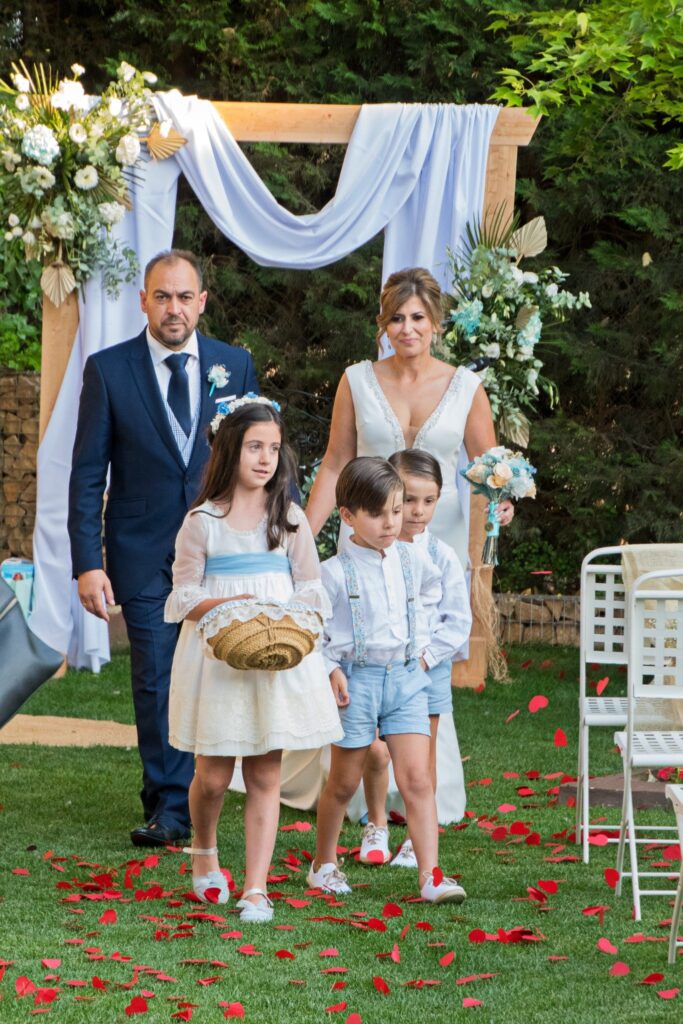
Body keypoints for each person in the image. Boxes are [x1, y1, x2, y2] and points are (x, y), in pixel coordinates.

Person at [68, 249, 259, 848]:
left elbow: (261, 456)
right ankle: (170, 808)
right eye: (162, 296)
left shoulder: (235, 365)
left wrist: (278, 532)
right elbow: (86, 473)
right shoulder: (109, 369)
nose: (173, 309)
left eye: (184, 297)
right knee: (155, 676)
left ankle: (213, 787)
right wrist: (88, 563)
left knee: (222, 670)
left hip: (221, 551)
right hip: (141, 550)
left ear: (201, 302)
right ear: (143, 300)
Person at [164, 398, 342, 922]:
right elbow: (181, 596)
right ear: (229, 450)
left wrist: (282, 619)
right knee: (215, 777)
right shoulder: (203, 522)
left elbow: (311, 589)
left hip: (274, 659)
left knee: (265, 774)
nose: (265, 458)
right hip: (218, 658)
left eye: (273, 448)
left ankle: (257, 888)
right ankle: (204, 851)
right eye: (253, 447)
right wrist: (234, 609)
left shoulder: (287, 519)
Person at [307, 456, 466, 904]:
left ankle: (430, 875)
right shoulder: (332, 573)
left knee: (417, 779)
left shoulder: (415, 560)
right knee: (342, 782)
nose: (391, 522)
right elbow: (314, 635)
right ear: (348, 516)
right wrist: (332, 670)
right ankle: (324, 863)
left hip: (407, 681)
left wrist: (425, 657)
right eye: (378, 513)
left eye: (396, 511)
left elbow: (440, 606)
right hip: (357, 683)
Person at [304, 265, 513, 568]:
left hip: (440, 534)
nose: (407, 329)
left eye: (418, 317)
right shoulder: (355, 381)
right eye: (396, 319)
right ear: (384, 325)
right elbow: (336, 464)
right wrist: (304, 538)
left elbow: (489, 471)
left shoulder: (467, 387)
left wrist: (503, 502)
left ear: (436, 322)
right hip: (368, 531)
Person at [359, 449, 471, 869]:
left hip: (426, 667)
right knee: (374, 750)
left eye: (429, 501)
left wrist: (423, 660)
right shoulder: (372, 550)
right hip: (375, 665)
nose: (417, 511)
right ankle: (376, 824)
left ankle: (413, 836)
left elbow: (457, 622)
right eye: (408, 500)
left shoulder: (442, 555)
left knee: (422, 757)